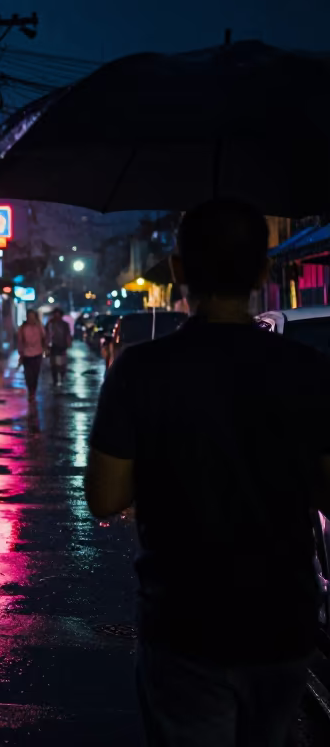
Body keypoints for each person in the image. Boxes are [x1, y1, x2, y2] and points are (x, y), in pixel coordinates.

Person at [86, 199, 330, 747]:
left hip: (184, 620)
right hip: (281, 620)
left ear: (177, 272)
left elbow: (104, 496)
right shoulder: (307, 370)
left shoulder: (142, 370)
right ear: (263, 273)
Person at [16, 309, 46, 402]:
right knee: (28, 375)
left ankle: (33, 391)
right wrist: (21, 353)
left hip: (38, 353)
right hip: (26, 354)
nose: (31, 319)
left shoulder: (39, 327)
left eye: (33, 316)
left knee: (36, 374)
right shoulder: (23, 328)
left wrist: (45, 349)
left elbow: (44, 338)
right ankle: (30, 391)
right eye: (29, 317)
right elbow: (20, 341)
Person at [46, 308, 73, 387]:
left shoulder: (65, 324)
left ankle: (61, 377)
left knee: (62, 364)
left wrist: (68, 342)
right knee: (53, 364)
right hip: (53, 346)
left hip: (62, 346)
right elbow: (46, 334)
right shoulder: (50, 324)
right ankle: (55, 379)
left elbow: (67, 334)